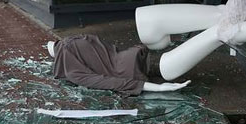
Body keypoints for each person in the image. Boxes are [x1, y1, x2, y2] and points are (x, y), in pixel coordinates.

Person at [47, 35, 190, 96]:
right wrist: (157, 87)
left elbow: (111, 82)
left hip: (131, 70)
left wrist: (157, 88)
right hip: (134, 54)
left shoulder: (74, 73)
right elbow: (108, 50)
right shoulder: (76, 38)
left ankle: (211, 35)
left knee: (170, 65)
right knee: (170, 63)